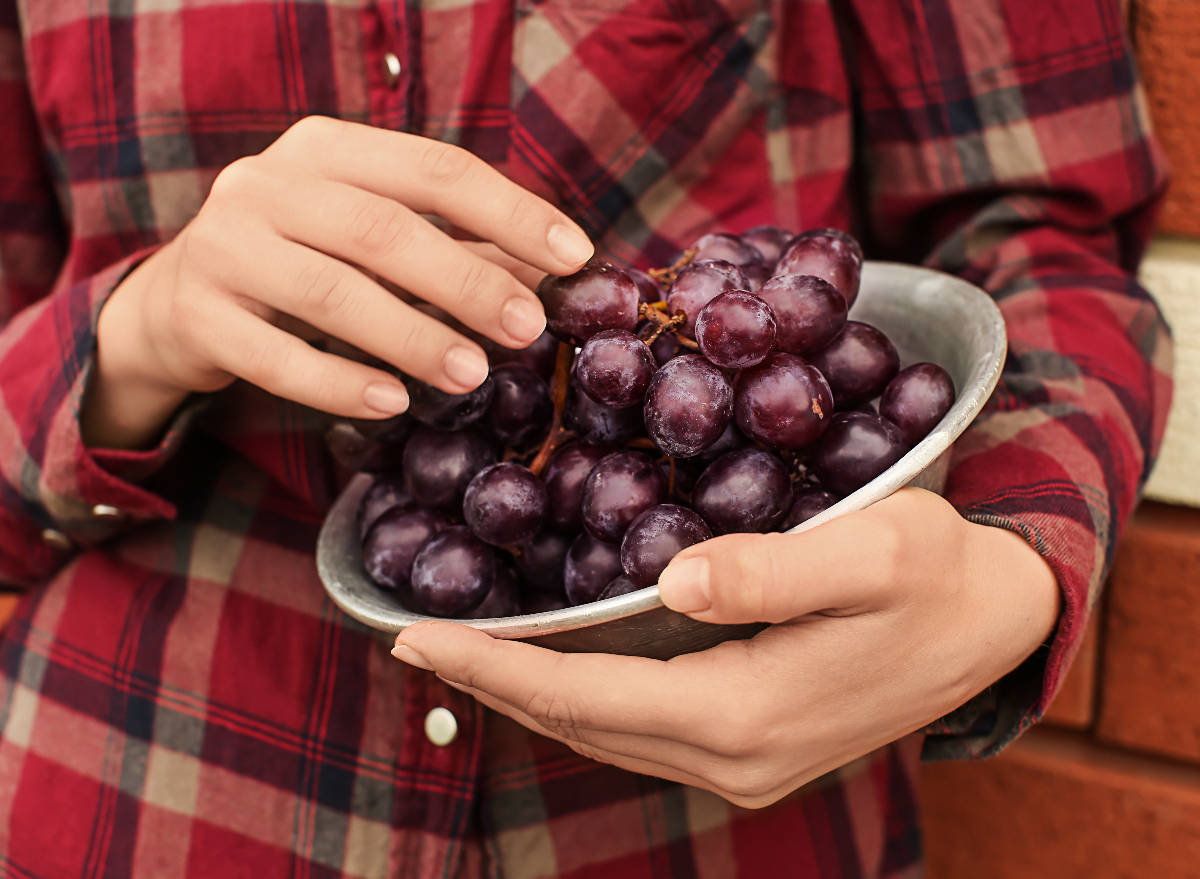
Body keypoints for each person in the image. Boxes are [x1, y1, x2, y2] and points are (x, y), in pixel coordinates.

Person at [0, 0, 1170, 874]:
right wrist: (134, 336)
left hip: (709, 830)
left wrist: (1014, 566)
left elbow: (1041, 239)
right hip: (141, 796)